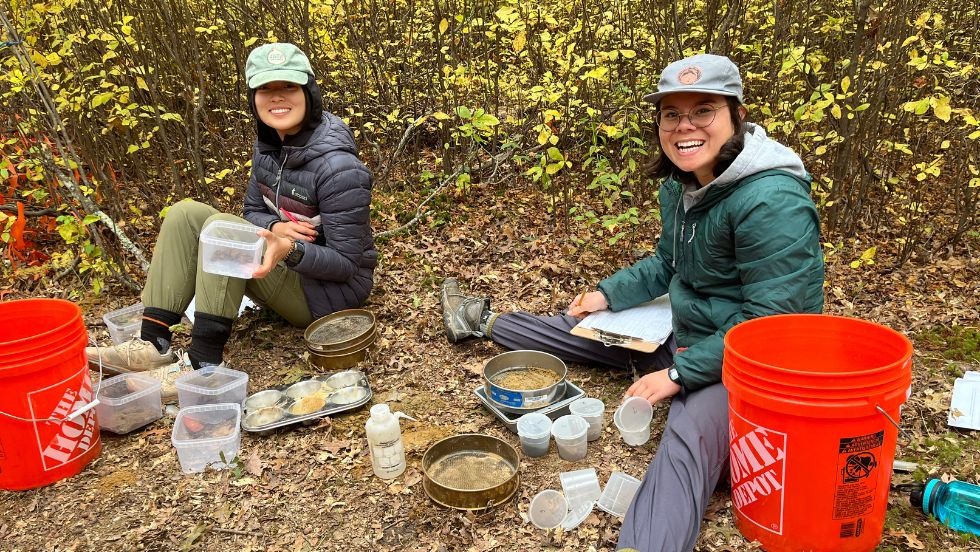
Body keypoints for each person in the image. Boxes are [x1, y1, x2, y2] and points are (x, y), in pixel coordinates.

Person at [441, 53, 824, 551]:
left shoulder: (771, 199)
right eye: (671, 114)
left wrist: (676, 377)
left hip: (745, 365)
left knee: (683, 448)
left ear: (736, 115)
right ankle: (481, 321)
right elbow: (668, 263)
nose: (685, 127)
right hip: (682, 333)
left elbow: (775, 326)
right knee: (578, 327)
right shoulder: (683, 184)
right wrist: (608, 294)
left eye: (703, 110)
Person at [87, 42, 377, 401]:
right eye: (265, 89)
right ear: (253, 98)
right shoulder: (269, 146)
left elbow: (348, 265)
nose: (277, 98)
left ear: (308, 92)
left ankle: (203, 366)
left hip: (327, 296)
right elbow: (252, 210)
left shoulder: (339, 168)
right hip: (287, 266)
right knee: (186, 213)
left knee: (221, 230)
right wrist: (273, 229)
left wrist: (291, 249)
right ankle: (153, 340)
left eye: (288, 87)